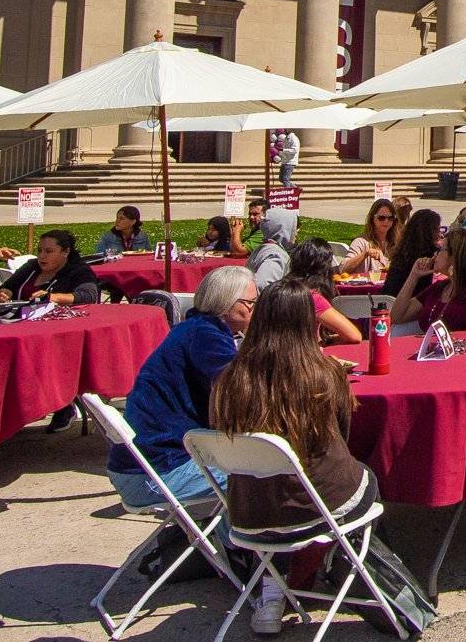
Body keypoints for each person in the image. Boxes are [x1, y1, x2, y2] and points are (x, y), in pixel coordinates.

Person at [206, 278, 376, 635]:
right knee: (365, 476)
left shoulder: (228, 379)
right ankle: (362, 574)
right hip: (316, 508)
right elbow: (341, 443)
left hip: (248, 513)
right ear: (307, 325)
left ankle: (271, 592)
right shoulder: (325, 375)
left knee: (278, 484)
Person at [109, 264, 255, 509]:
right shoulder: (207, 338)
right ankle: (241, 543)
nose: (254, 308)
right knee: (269, 474)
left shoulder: (194, 328)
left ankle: (218, 540)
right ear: (228, 302)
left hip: (136, 466)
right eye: (251, 302)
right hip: (157, 474)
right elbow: (242, 396)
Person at [391, 224, 466, 333]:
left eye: (441, 249)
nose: (435, 254)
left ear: (455, 255)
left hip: (461, 349)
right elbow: (397, 316)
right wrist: (413, 276)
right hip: (428, 348)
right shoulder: (440, 288)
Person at [287, 239, 364, 345]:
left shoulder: (272, 290)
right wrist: (328, 341)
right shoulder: (311, 298)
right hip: (300, 357)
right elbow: (355, 336)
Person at [0, 229, 104, 304]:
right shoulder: (31, 266)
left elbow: (89, 296)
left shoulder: (79, 270)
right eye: (39, 250)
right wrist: (3, 293)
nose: (41, 255)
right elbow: (5, 287)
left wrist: (52, 297)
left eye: (49, 251)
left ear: (66, 251)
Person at [378, 209, 447, 298]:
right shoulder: (430, 253)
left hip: (389, 299)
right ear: (429, 231)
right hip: (413, 301)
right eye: (437, 229)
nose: (439, 233)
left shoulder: (402, 251)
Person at [337, 199, 401, 278]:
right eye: (381, 218)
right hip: (366, 289)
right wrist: (365, 254)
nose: (386, 221)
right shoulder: (361, 242)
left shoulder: (396, 243)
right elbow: (342, 269)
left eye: (391, 217)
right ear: (372, 219)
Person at [250, 207, 299, 289]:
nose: (296, 232)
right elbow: (262, 285)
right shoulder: (276, 255)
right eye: (294, 228)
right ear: (283, 229)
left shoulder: (267, 247)